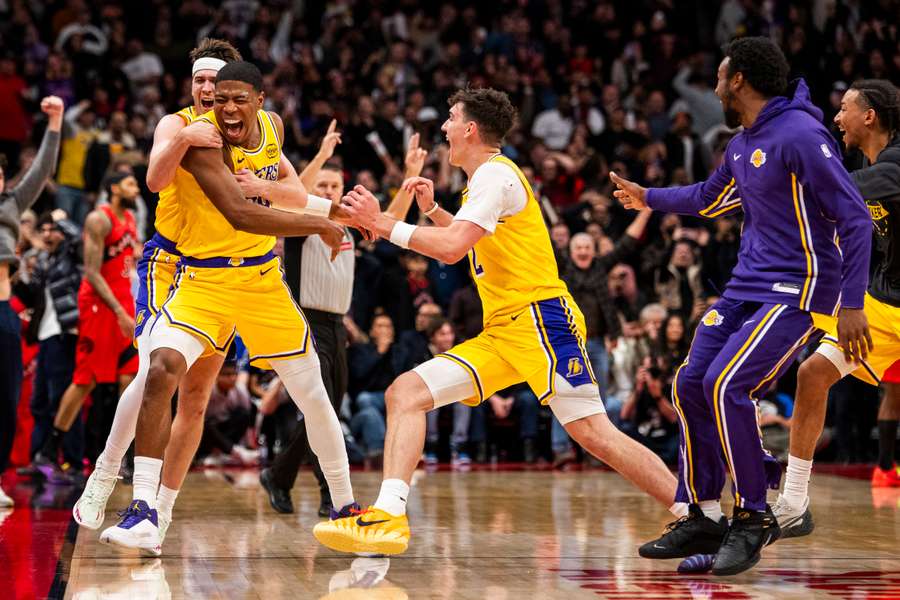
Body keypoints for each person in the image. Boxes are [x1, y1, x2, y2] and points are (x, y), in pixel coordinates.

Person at [314, 86, 680, 556]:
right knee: (405, 393)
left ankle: (690, 512)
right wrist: (430, 211)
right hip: (504, 330)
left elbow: (451, 249)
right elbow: (470, 235)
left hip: (540, 320)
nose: (443, 127)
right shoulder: (485, 182)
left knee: (594, 434)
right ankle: (388, 516)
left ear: (469, 128)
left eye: (449, 118)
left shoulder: (496, 176)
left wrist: (383, 223)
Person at [610, 37, 872, 575]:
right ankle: (704, 511)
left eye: (719, 75)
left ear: (739, 81)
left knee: (727, 385)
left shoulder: (801, 134)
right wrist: (648, 197)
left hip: (800, 288)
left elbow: (856, 218)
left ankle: (753, 515)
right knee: (689, 382)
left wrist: (851, 303)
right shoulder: (740, 143)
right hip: (746, 285)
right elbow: (709, 198)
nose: (713, 85)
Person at [100, 61, 356, 556]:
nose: (227, 108)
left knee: (314, 392)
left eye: (239, 99)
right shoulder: (200, 140)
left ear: (260, 99)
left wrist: (286, 196)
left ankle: (346, 508)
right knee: (160, 367)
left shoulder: (272, 129)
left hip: (261, 281)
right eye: (219, 99)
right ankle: (143, 510)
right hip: (205, 278)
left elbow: (293, 193)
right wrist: (320, 224)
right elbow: (239, 213)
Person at [72, 38, 243, 536]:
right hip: (170, 264)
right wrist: (188, 137)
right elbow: (153, 178)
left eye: (215, 81)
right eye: (200, 81)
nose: (207, 88)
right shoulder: (175, 123)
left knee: (196, 399)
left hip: (224, 272)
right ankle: (104, 475)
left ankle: (160, 516)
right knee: (154, 369)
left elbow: (278, 187)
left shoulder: (253, 128)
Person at [773, 79, 900, 537]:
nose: (837, 118)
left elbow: (842, 191)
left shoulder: (896, 162)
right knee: (812, 374)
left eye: (844, 108)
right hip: (885, 306)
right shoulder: (864, 164)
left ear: (869, 116)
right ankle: (793, 501)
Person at [260, 129, 355, 517]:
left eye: (335, 185)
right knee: (324, 410)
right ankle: (329, 491)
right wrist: (319, 154)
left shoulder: (346, 221)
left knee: (330, 407)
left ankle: (280, 475)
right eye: (323, 185)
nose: (330, 191)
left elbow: (391, 219)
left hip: (337, 324)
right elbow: (295, 188)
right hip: (308, 322)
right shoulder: (302, 221)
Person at [34, 172, 140, 482]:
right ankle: (49, 450)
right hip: (99, 307)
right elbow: (92, 273)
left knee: (129, 379)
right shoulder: (98, 219)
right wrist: (120, 311)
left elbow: (123, 262)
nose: (137, 188)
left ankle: (122, 457)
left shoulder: (130, 218)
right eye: (131, 184)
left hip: (123, 304)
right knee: (85, 380)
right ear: (114, 188)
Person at [0, 95, 63, 508]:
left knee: (6, 399)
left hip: (4, 312)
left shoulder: (11, 204)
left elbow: (41, 171)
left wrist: (54, 122)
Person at [13, 212, 82, 476]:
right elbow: (33, 297)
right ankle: (39, 459)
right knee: (39, 402)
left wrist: (62, 220)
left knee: (62, 399)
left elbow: (77, 239)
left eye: (52, 230)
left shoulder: (71, 256)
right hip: (44, 334)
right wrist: (18, 276)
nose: (46, 234)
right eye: (43, 230)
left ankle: (74, 461)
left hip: (64, 333)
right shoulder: (42, 260)